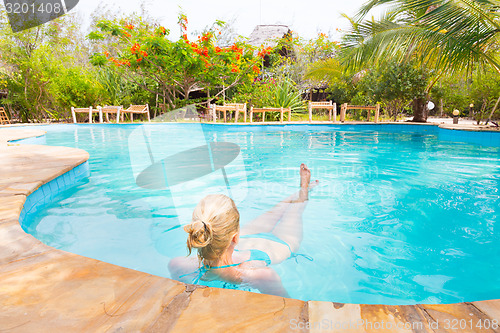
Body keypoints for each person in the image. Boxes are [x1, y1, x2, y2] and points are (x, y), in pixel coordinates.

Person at [168, 164, 317, 297]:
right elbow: (289, 309)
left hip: (250, 241)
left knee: (281, 211)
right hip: (274, 245)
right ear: (234, 237)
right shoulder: (261, 276)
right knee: (289, 211)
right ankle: (303, 190)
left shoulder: (177, 265)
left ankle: (303, 189)